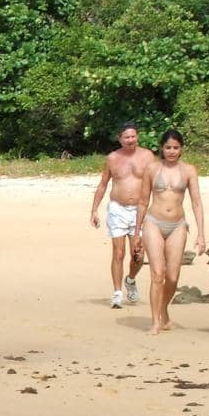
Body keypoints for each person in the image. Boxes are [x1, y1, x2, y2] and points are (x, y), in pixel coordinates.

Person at [135, 129, 206, 335]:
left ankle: (163, 309)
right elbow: (142, 201)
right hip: (153, 222)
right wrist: (136, 232)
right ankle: (156, 320)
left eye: (175, 148)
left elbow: (196, 202)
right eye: (168, 147)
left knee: (173, 277)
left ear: (181, 149)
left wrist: (201, 234)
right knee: (158, 274)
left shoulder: (189, 171)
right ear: (161, 148)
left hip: (177, 225)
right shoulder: (152, 168)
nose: (172, 151)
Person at [88, 123, 155, 308]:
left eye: (133, 136)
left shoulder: (147, 156)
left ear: (137, 137)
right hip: (117, 208)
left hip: (139, 210)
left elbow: (155, 181)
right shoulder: (113, 158)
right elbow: (103, 185)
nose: (130, 140)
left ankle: (131, 280)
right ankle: (117, 293)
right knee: (118, 252)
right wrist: (94, 210)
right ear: (120, 139)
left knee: (138, 254)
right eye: (127, 137)